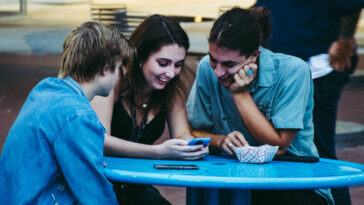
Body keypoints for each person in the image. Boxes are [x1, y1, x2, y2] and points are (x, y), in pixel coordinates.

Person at [186, 7, 334, 205]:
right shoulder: (206, 67)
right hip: (230, 176)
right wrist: (219, 141)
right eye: (214, 60)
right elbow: (193, 132)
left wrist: (240, 94)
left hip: (293, 181)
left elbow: (278, 147)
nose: (219, 72)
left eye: (229, 64)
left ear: (254, 55)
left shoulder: (293, 72)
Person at [0, 22, 133, 204]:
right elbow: (96, 196)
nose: (119, 77)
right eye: (119, 68)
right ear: (105, 68)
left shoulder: (46, 89)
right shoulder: (79, 116)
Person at [91, 14, 208, 205]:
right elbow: (100, 140)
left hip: (135, 186)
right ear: (139, 55)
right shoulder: (112, 79)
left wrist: (192, 147)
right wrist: (158, 152)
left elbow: (182, 134)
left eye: (178, 64)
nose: (171, 73)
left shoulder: (171, 89)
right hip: (96, 185)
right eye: (163, 63)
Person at [254, 1, 362, 204]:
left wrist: (344, 39)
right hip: (278, 58)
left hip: (317, 64)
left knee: (319, 152)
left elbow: (351, 3)